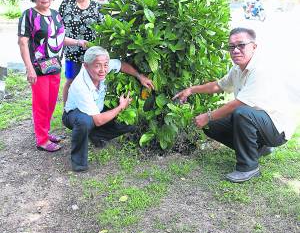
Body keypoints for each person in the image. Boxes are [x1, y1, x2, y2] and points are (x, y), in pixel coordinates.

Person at [173, 27, 295, 183]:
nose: (235, 50)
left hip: (277, 129)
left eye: (241, 45)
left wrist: (208, 116)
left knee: (241, 112)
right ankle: (259, 148)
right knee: (213, 124)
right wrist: (191, 90)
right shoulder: (237, 69)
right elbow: (218, 86)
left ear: (254, 47)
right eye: (231, 47)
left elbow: (238, 104)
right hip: (258, 121)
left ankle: (248, 167)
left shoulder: (261, 69)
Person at [18, 0, 88, 152]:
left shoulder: (56, 15)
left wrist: (79, 42)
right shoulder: (28, 15)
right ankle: (41, 140)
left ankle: (45, 132)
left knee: (50, 103)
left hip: (54, 66)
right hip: (38, 69)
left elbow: (59, 39)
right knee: (41, 104)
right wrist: (29, 68)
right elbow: (22, 42)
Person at [62, 46, 154, 172]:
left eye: (105, 65)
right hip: (74, 115)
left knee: (127, 122)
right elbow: (98, 120)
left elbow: (121, 65)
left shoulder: (105, 67)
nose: (103, 70)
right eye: (97, 66)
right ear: (85, 66)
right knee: (85, 121)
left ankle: (96, 135)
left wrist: (140, 76)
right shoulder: (80, 85)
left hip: (96, 110)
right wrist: (121, 106)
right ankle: (79, 163)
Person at [59, 0, 103, 103]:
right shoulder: (66, 4)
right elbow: (58, 28)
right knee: (71, 80)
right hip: (72, 51)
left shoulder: (97, 7)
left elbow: (103, 28)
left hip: (92, 52)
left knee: (93, 81)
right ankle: (67, 109)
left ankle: (89, 108)